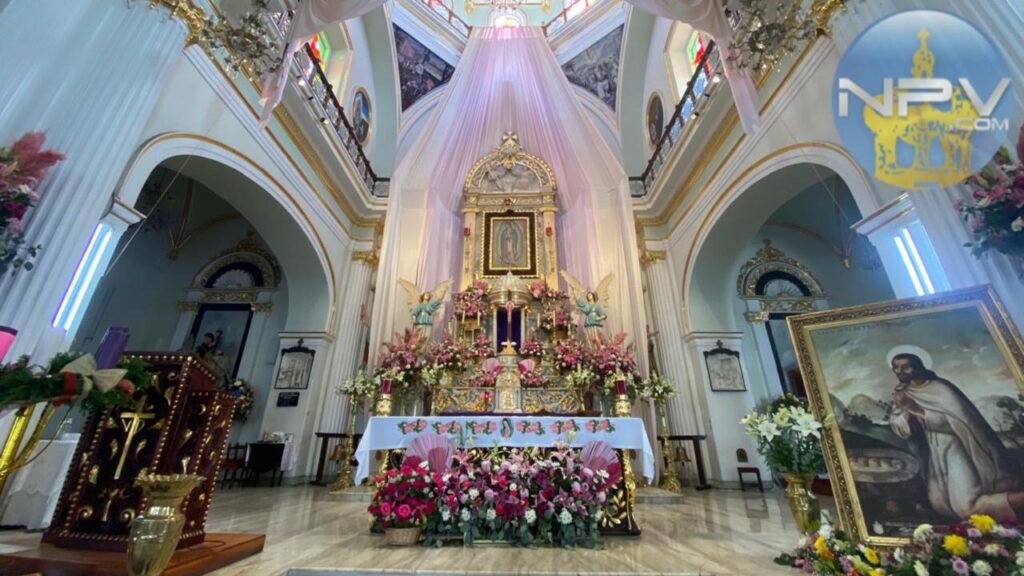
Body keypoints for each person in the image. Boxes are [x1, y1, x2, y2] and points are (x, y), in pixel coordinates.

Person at [888, 352, 1023, 522]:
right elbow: (898, 427)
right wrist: (905, 414)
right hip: (934, 451)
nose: (900, 371)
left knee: (966, 506)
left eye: (905, 367)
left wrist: (914, 409)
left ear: (918, 366)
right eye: (896, 367)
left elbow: (954, 421)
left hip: (958, 446)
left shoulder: (940, 389)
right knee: (941, 505)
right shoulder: (903, 393)